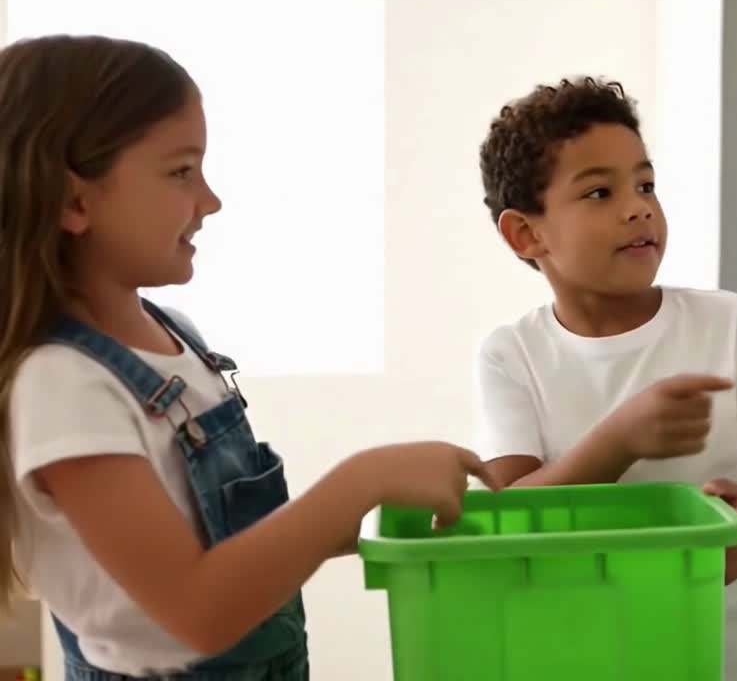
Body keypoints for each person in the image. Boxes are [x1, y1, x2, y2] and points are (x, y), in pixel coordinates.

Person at [0, 34, 499, 680]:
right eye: (181, 171)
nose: (210, 200)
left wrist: (374, 513)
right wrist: (362, 479)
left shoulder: (175, 336)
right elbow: (196, 610)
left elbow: (233, 551)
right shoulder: (62, 385)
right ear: (75, 201)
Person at [474, 77, 737, 680]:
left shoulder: (728, 322)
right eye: (598, 192)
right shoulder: (511, 355)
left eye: (646, 184)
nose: (638, 205)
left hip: (731, 658)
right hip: (578, 657)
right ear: (527, 234)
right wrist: (618, 440)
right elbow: (512, 518)